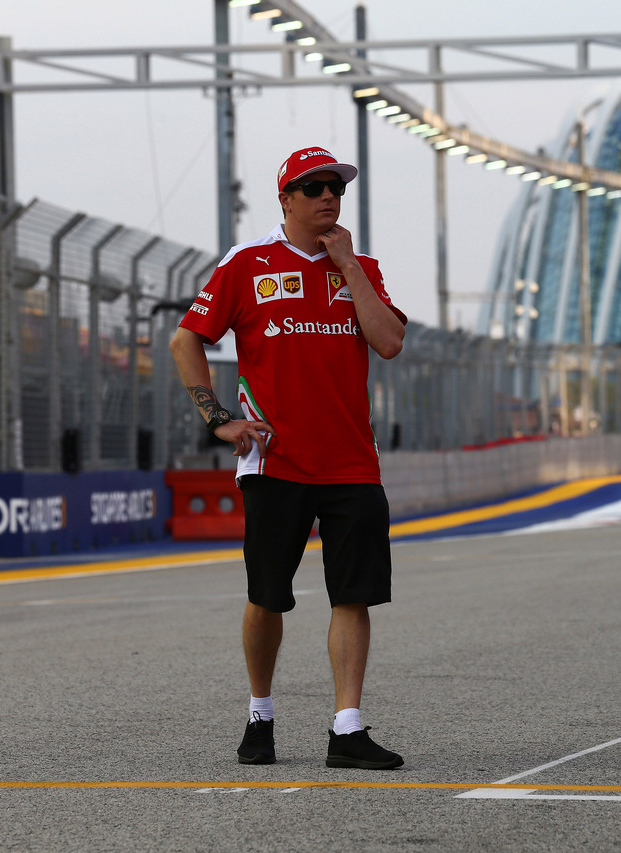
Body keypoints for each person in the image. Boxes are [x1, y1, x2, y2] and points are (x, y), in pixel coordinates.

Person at [170, 146, 408, 769]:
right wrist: (218, 418)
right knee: (267, 595)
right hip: (274, 462)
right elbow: (185, 339)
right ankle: (260, 715)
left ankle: (347, 729)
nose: (328, 196)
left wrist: (348, 265)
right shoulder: (247, 264)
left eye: (336, 186)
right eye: (313, 188)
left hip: (353, 462)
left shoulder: (362, 268)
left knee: (352, 596)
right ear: (285, 198)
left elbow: (387, 342)